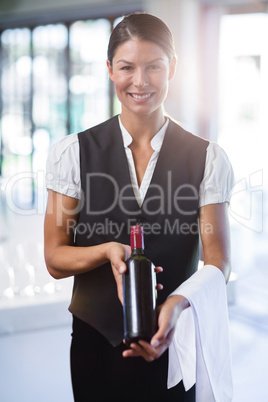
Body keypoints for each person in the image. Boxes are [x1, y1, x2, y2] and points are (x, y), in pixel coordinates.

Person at [44, 12, 234, 402]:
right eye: (127, 67)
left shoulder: (208, 158)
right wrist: (107, 250)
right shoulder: (72, 154)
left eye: (154, 67)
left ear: (173, 68)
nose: (141, 81)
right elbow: (54, 258)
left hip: (175, 344)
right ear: (110, 70)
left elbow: (219, 263)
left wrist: (178, 305)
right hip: (95, 347)